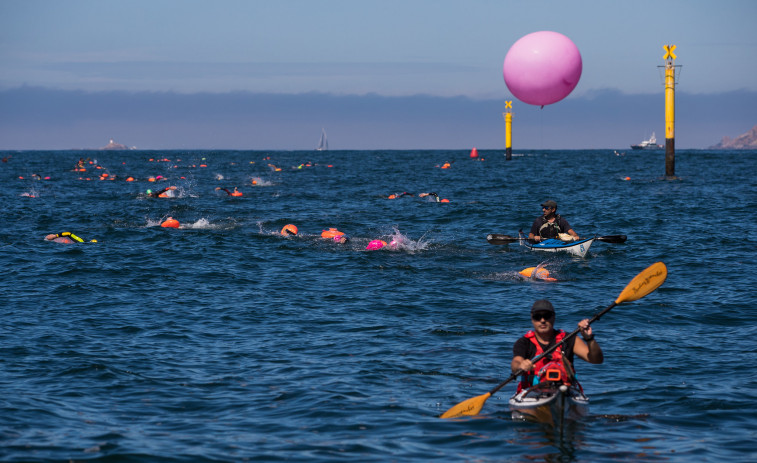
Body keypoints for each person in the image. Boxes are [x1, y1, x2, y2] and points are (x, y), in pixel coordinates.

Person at [511, 300, 602, 392]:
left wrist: (589, 339)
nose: (542, 320)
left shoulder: (569, 339)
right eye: (537, 317)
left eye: (547, 316)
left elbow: (596, 360)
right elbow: (516, 362)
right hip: (533, 393)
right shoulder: (524, 342)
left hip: (564, 392)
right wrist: (520, 366)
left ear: (553, 317)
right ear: (532, 319)